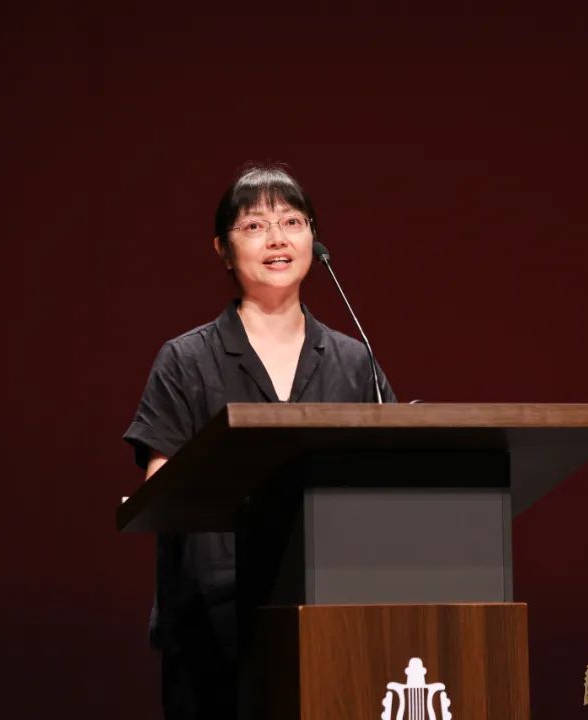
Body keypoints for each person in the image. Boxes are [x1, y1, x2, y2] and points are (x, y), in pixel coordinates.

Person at [123, 163, 396, 720]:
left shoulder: (353, 361)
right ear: (223, 250)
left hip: (332, 617)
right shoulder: (186, 360)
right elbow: (162, 486)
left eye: (292, 222)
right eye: (254, 226)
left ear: (314, 238)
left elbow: (392, 478)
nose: (277, 239)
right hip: (213, 628)